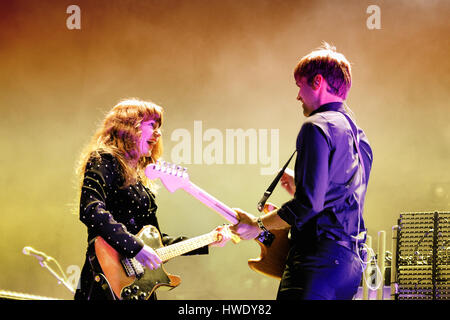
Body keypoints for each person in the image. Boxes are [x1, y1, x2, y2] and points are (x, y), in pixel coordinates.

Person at [230, 43, 373, 300]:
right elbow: (342, 198)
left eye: (300, 85)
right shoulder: (360, 138)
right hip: (350, 268)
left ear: (317, 81)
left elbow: (308, 206)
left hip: (316, 262)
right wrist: (303, 186)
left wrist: (257, 224)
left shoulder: (316, 126)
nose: (298, 96)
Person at [74, 98, 231, 300]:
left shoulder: (140, 180)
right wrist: (135, 248)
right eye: (151, 126)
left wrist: (209, 240)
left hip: (140, 284)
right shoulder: (104, 159)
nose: (158, 133)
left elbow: (155, 242)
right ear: (128, 127)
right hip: (106, 278)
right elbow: (91, 209)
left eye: (159, 128)